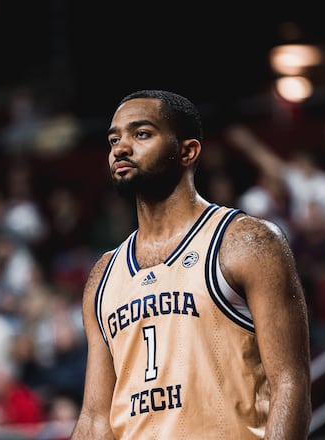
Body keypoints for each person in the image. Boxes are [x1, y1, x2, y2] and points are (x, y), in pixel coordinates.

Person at [71, 90, 311, 439]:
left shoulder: (246, 242)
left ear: (188, 151)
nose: (121, 148)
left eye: (141, 134)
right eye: (114, 140)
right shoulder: (103, 276)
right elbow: (95, 420)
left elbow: (290, 383)